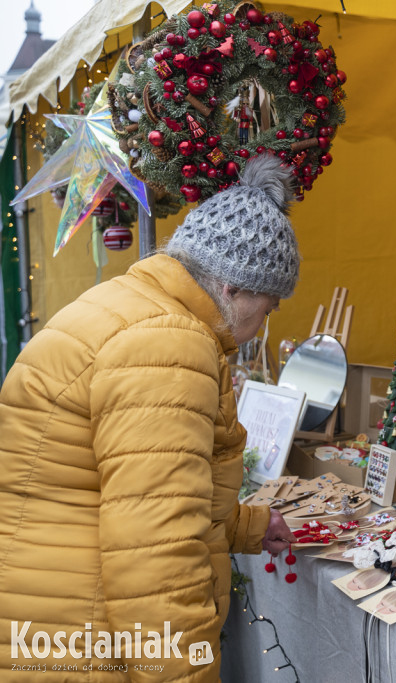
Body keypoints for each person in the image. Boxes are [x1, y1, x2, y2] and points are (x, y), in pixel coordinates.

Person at [0, 154, 299, 678]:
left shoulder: (129, 307)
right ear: (231, 288)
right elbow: (157, 561)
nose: (263, 325)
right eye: (268, 307)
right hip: (83, 636)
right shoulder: (167, 344)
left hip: (44, 607)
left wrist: (247, 525)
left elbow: (136, 491)